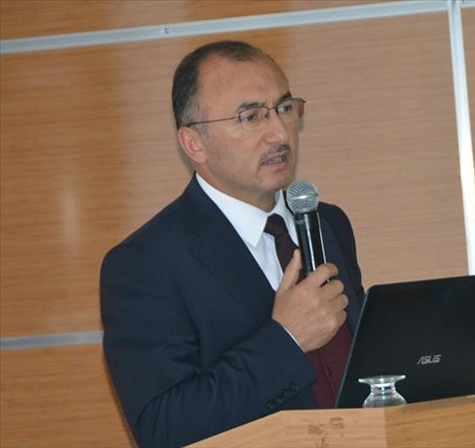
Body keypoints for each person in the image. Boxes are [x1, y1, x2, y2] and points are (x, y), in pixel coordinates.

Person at [100, 40, 365, 448]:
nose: (279, 132)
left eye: (284, 108)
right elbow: (162, 428)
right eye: (251, 117)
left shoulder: (328, 223)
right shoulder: (144, 265)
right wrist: (287, 339)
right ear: (194, 143)